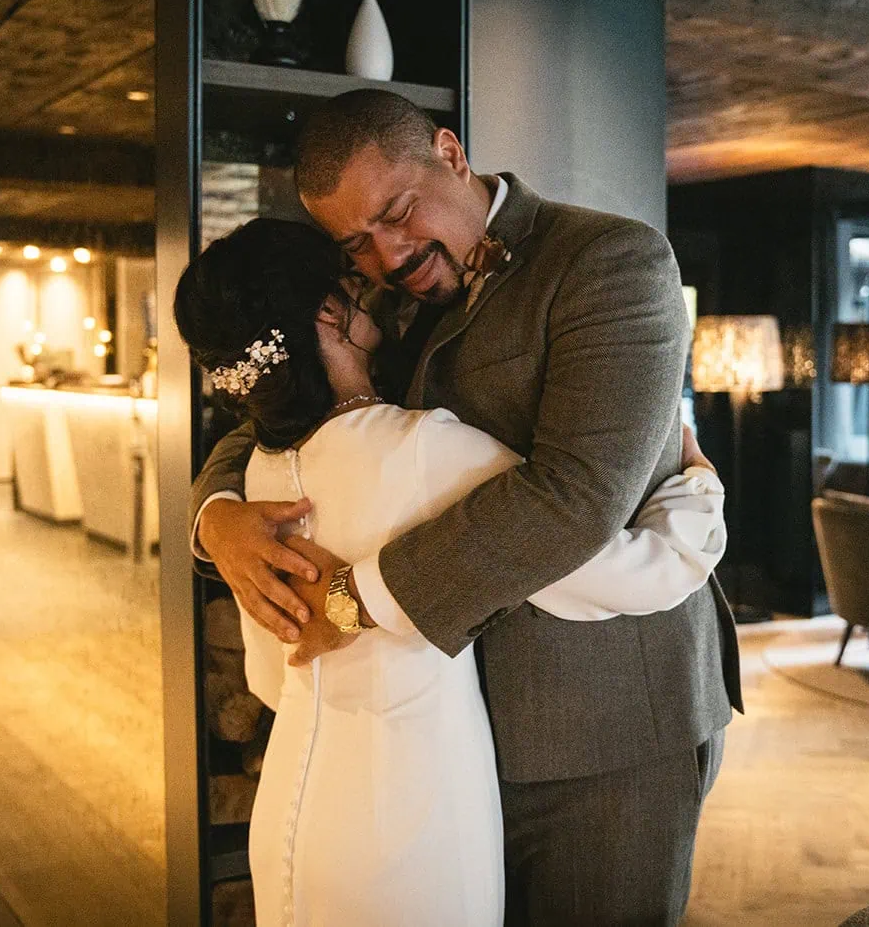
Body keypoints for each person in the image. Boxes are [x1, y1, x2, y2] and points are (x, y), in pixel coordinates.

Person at [191, 89, 743, 925]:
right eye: (356, 245)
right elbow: (284, 413)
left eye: (399, 212)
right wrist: (218, 518)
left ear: (450, 152)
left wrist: (347, 598)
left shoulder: (611, 263)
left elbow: (574, 498)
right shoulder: (381, 299)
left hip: (602, 726)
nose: (386, 255)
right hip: (448, 745)